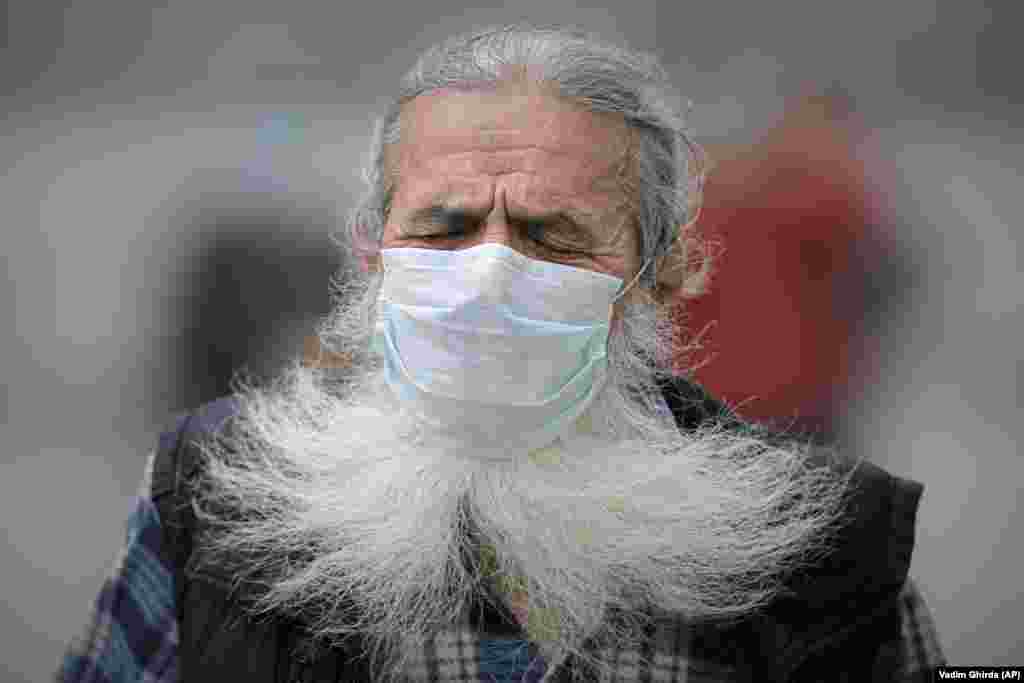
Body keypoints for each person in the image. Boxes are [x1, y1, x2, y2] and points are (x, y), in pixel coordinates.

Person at [57, 24, 945, 682]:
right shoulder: (211, 506)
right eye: (444, 228)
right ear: (373, 254)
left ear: (662, 274)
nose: (489, 273)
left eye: (552, 236)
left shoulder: (825, 563)